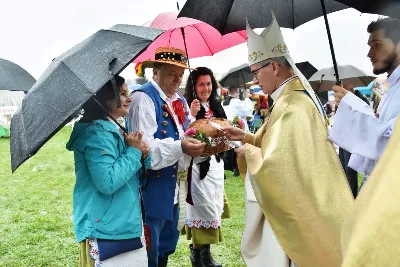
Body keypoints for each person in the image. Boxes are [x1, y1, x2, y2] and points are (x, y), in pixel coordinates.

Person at [222, 13, 353, 267]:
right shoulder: (286, 99)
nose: (254, 80)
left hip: (302, 209)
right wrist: (247, 136)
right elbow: (280, 145)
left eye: (256, 72)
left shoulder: (292, 105)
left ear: (273, 66)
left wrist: (248, 151)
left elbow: (281, 167)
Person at [128, 47, 206, 267]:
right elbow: (145, 151)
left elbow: (184, 132)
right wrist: (181, 146)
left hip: (174, 185)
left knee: (166, 244)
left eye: (181, 74)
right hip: (151, 187)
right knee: (149, 247)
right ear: (155, 73)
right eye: (172, 73)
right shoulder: (143, 98)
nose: (178, 79)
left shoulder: (179, 99)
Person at [66, 75, 151, 266]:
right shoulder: (97, 133)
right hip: (106, 227)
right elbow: (107, 181)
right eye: (122, 94)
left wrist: (143, 155)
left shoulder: (116, 128)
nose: (129, 99)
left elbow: (128, 175)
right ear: (104, 99)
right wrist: (134, 152)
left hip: (119, 221)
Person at [330, 17, 400, 183]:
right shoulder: (392, 86)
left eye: (377, 45)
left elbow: (392, 143)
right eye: (370, 46)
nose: (370, 53)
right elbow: (375, 140)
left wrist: (353, 106)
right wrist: (353, 106)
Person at [184, 67, 227, 267]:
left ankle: (206, 255)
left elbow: (225, 129)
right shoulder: (187, 107)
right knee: (201, 208)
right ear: (193, 86)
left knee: (212, 208)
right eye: (201, 84)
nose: (206, 88)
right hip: (198, 167)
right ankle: (197, 255)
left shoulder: (217, 106)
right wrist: (191, 116)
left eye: (208, 83)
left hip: (216, 165)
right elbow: (184, 134)